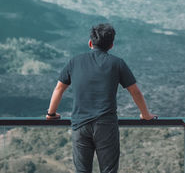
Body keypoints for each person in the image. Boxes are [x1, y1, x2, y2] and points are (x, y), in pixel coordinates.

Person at [45, 23, 157, 173]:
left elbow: (59, 88)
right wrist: (145, 114)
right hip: (106, 125)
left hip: (80, 125)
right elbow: (135, 92)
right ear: (111, 45)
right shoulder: (117, 63)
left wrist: (51, 114)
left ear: (90, 43)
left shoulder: (74, 61)